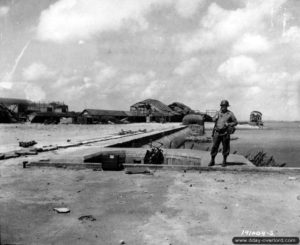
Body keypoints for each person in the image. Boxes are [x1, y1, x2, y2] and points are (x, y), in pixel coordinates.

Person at [208, 100, 238, 167]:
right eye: (222, 106)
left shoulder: (230, 114)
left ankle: (224, 161)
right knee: (214, 147)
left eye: (225, 106)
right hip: (217, 132)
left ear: (227, 106)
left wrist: (229, 124)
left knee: (226, 147)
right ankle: (212, 160)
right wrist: (213, 118)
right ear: (221, 106)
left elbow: (235, 122)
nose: (223, 107)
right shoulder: (218, 113)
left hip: (225, 133)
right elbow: (213, 120)